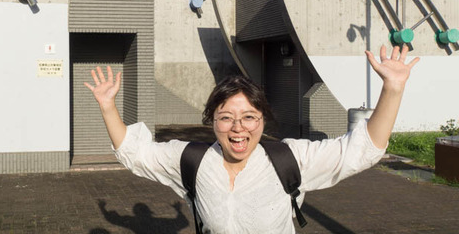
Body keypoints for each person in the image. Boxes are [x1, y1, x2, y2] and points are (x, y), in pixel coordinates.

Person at [84, 45, 419, 233]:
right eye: (226, 117)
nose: (238, 128)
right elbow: (136, 153)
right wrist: (108, 106)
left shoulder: (289, 159)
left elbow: (360, 150)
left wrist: (393, 89)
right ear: (212, 121)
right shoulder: (192, 160)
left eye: (249, 117)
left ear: (262, 120)